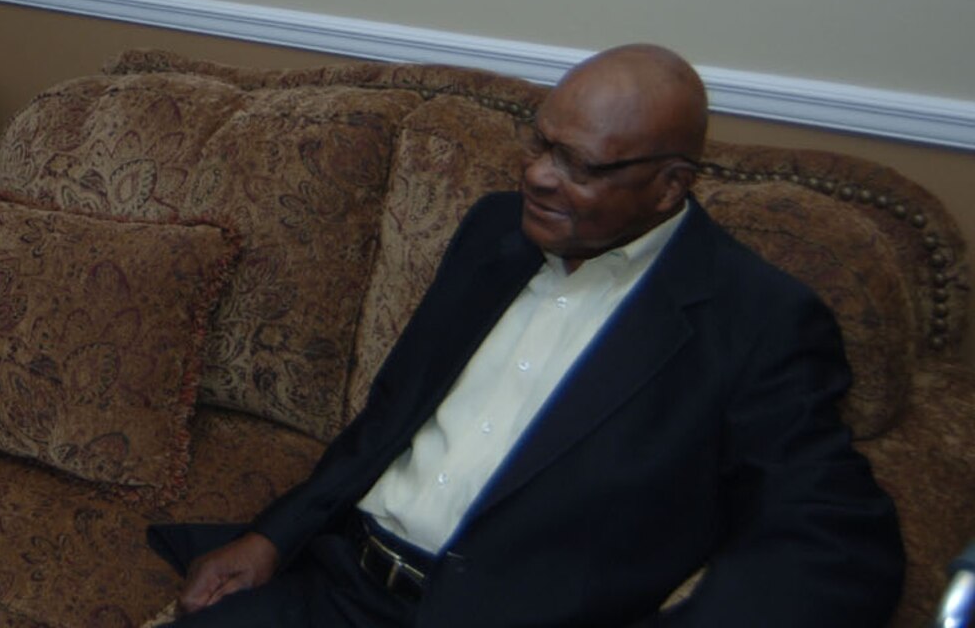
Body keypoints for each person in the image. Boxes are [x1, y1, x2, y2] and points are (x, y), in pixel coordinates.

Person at [157, 44, 902, 628]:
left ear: (671, 185)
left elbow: (831, 541)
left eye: (577, 165)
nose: (537, 176)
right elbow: (392, 413)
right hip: (339, 587)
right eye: (540, 143)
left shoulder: (756, 319)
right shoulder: (494, 233)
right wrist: (273, 537)